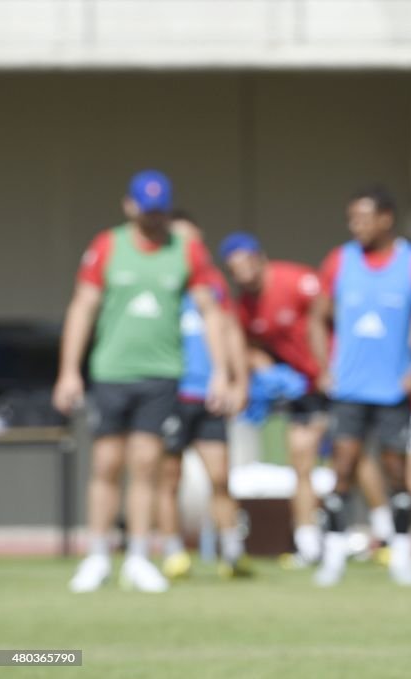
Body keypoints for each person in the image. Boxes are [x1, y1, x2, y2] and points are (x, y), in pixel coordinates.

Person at [54, 170, 230, 593]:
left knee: (147, 465)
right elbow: (82, 308)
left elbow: (211, 311)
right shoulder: (107, 246)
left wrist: (221, 371)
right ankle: (97, 556)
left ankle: (138, 556)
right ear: (129, 206)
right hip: (112, 372)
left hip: (162, 374)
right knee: (106, 464)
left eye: (159, 211)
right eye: (145, 210)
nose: (152, 219)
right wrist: (68, 370)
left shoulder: (186, 250)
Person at [310, 187, 411, 586]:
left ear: (386, 219)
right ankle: (332, 554)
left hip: (393, 392)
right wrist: (323, 366)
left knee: (397, 473)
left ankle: (402, 554)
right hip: (348, 390)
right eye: (351, 218)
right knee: (341, 469)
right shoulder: (339, 261)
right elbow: (316, 318)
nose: (356, 225)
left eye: (363, 217)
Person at [219, 233, 328, 567]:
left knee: (353, 460)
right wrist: (263, 367)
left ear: (261, 258)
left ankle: (387, 533)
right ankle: (309, 543)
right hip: (301, 391)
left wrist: (327, 367)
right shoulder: (243, 306)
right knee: (302, 461)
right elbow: (242, 345)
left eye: (246, 262)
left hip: (335, 380)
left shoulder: (296, 281)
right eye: (234, 268)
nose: (242, 272)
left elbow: (330, 313)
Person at [157, 215, 253, 580]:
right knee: (169, 478)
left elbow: (230, 333)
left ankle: (232, 552)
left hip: (208, 395)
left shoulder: (213, 284)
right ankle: (173, 552)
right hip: (171, 394)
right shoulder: (162, 283)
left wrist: (236, 381)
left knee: (220, 476)